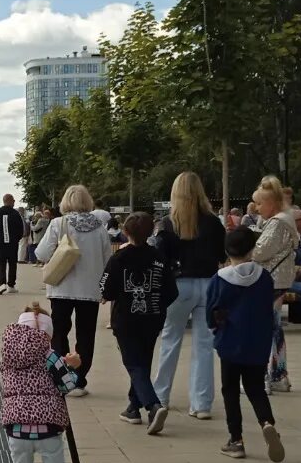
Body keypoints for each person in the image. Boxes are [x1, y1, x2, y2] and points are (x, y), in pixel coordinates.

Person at [0, 305, 87, 463]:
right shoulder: (50, 356)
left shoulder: (8, 358)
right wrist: (72, 365)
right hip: (48, 427)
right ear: (46, 334)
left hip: (16, 427)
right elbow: (68, 385)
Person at [152, 171, 226, 418]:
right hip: (208, 284)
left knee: (170, 341)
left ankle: (161, 397)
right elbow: (221, 255)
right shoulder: (214, 222)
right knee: (204, 346)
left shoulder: (168, 223)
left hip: (178, 286)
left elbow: (159, 257)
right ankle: (201, 403)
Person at [208, 226, 285, 463]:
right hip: (258, 342)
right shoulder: (264, 277)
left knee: (230, 391)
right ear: (252, 248)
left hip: (230, 342)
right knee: (255, 388)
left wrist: (215, 326)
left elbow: (211, 313)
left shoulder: (219, 279)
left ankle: (236, 440)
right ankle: (267, 422)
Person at [100, 212, 175, 434]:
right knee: (142, 361)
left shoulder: (119, 259)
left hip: (126, 319)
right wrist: (158, 305)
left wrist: (108, 295)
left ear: (125, 232)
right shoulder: (159, 258)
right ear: (152, 231)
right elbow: (171, 290)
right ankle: (134, 406)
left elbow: (105, 288)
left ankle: (153, 405)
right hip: (152, 318)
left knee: (133, 363)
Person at [33, 186, 111, 395]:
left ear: (66, 202)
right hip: (90, 290)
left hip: (61, 287)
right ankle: (80, 378)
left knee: (59, 333)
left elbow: (41, 253)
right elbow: (107, 261)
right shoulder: (100, 228)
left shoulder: (59, 224)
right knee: (86, 335)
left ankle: (62, 377)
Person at [249, 179, 299, 392]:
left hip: (270, 280)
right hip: (280, 279)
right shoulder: (287, 219)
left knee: (263, 330)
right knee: (274, 329)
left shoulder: (277, 223)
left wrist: (248, 242)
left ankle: (263, 377)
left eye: (259, 204)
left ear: (271, 203)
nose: (256, 208)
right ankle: (279, 374)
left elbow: (260, 251)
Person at [0, 195, 26, 294]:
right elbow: (20, 229)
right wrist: (17, 238)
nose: (14, 202)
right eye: (13, 201)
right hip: (12, 243)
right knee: (12, 263)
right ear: (10, 201)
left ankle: (2, 284)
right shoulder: (15, 213)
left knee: (1, 263)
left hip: (0, 243)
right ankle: (11, 285)